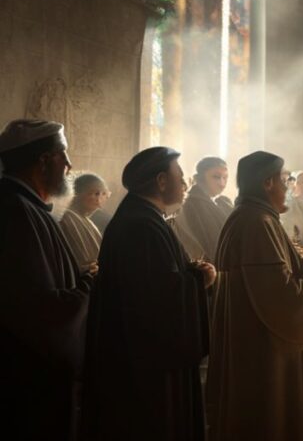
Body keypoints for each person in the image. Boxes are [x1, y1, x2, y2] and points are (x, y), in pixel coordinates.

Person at [82, 147, 215, 440]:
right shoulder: (140, 226)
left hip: (144, 356)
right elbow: (157, 298)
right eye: (179, 177)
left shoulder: (143, 217)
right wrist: (200, 280)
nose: (184, 184)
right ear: (161, 181)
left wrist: (188, 272)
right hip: (147, 363)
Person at [206, 151, 303, 441]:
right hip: (263, 349)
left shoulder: (249, 217)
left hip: (251, 341)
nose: (288, 186)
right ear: (268, 182)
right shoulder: (258, 222)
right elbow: (277, 295)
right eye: (284, 179)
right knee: (268, 415)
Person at [0, 119, 94, 441]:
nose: (69, 165)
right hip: (28, 376)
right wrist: (88, 287)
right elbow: (37, 309)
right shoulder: (15, 211)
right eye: (62, 155)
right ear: (43, 161)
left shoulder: (28, 207)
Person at [179, 156, 233, 263]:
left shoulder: (223, 202)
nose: (222, 183)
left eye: (225, 177)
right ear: (200, 177)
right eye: (216, 177)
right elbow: (211, 242)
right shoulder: (193, 204)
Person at [60, 173, 108, 271]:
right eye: (95, 193)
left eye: (103, 194)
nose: (99, 200)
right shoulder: (66, 218)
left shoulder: (87, 221)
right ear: (76, 194)